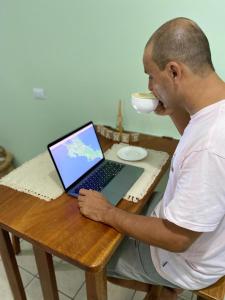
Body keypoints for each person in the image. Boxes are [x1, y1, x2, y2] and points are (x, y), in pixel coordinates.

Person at [77, 17, 225, 299]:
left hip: (187, 262)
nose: (149, 85)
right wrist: (172, 109)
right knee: (135, 199)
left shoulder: (211, 146)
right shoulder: (215, 109)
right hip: (208, 237)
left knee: (91, 253)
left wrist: (107, 213)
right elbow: (194, 136)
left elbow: (177, 239)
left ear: (173, 71)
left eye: (151, 76)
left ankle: (167, 288)